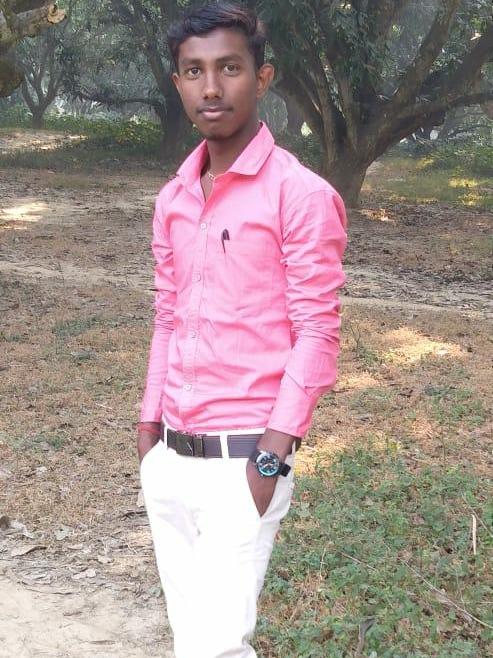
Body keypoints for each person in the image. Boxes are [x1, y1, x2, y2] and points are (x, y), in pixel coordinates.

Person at [136, 3, 347, 657]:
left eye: (229, 68)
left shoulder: (300, 195)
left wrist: (269, 459)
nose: (210, 87)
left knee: (216, 647)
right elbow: (168, 314)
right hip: (170, 458)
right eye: (193, 71)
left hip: (244, 461)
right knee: (191, 642)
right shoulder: (173, 198)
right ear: (177, 82)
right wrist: (148, 429)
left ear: (263, 78)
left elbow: (317, 333)